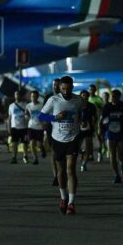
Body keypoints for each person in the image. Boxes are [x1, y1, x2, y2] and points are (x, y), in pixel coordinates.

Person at [39, 76, 85, 215]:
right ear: (59, 88)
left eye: (68, 88)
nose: (66, 91)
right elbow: (41, 116)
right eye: (63, 88)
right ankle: (63, 198)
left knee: (71, 169)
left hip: (73, 138)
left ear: (72, 87)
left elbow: (82, 112)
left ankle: (71, 203)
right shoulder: (53, 100)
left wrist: (82, 121)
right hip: (57, 139)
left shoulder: (78, 100)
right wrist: (55, 117)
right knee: (61, 171)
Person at [100, 89, 123, 183]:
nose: (113, 98)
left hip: (122, 133)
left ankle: (122, 163)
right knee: (112, 154)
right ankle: (116, 175)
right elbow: (102, 119)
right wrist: (101, 130)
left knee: (121, 154)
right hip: (110, 133)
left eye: (115, 96)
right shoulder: (107, 106)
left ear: (119, 97)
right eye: (112, 96)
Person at [44, 78, 61, 186]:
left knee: (62, 153)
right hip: (51, 127)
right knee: (54, 152)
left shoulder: (67, 97)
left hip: (64, 127)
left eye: (57, 85)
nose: (55, 87)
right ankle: (56, 176)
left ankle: (62, 173)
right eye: (54, 85)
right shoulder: (48, 97)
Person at [77, 90, 98, 172]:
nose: (84, 97)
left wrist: (94, 123)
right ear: (80, 96)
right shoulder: (77, 106)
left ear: (88, 97)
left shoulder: (91, 106)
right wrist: (79, 122)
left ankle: (84, 164)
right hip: (78, 128)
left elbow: (95, 117)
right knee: (76, 147)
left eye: (86, 96)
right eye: (83, 95)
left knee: (88, 146)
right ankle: (82, 153)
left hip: (89, 128)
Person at [7, 91, 29, 164]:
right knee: (14, 143)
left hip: (24, 127)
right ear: (14, 96)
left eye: (19, 94)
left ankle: (25, 156)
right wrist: (9, 127)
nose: (17, 96)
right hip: (14, 127)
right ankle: (14, 157)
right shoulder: (11, 106)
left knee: (25, 143)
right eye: (16, 94)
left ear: (21, 96)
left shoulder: (25, 105)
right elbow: (9, 118)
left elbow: (28, 116)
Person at [24, 90, 45, 164]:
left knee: (39, 144)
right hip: (31, 126)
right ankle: (35, 159)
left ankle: (42, 149)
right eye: (32, 96)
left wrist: (44, 123)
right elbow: (26, 113)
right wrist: (26, 116)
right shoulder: (28, 105)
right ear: (31, 97)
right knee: (32, 142)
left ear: (37, 97)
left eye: (35, 96)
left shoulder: (41, 105)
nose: (34, 98)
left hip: (39, 127)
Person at [87, 85, 106, 161]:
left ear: (95, 90)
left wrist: (97, 105)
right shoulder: (87, 98)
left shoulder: (99, 99)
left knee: (99, 137)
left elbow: (103, 109)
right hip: (89, 121)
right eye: (90, 89)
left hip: (98, 121)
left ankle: (99, 153)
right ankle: (90, 154)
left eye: (93, 89)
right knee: (89, 139)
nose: (91, 91)